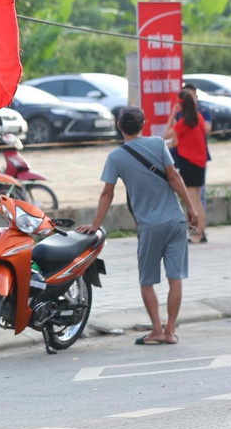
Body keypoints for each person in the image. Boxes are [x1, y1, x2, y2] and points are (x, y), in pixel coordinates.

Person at [77, 106, 199, 345]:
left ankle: (157, 330)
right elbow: (174, 177)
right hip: (175, 220)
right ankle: (171, 331)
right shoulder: (158, 143)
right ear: (144, 124)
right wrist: (191, 208)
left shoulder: (116, 158)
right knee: (176, 279)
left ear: (120, 126)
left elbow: (107, 194)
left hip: (149, 227)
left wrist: (95, 225)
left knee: (147, 281)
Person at [167, 90, 209, 243]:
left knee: (192, 200)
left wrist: (172, 114)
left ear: (181, 105)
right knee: (197, 199)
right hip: (199, 163)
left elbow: (166, 134)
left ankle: (196, 233)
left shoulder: (185, 122)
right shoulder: (198, 118)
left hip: (189, 163)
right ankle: (200, 232)